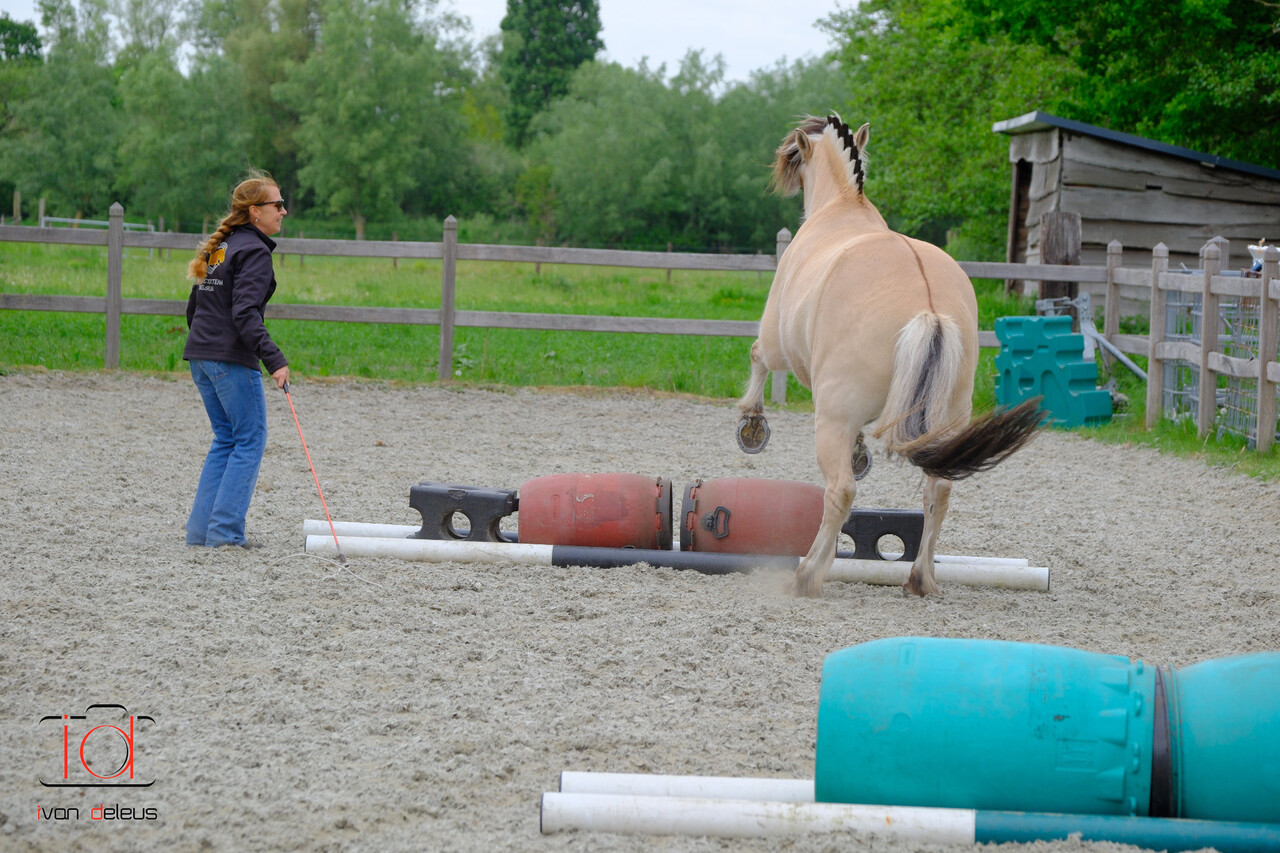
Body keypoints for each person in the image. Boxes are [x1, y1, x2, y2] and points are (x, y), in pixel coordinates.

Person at [182, 173, 290, 548]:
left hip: (200, 356)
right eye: (277, 205)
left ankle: (201, 533)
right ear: (255, 212)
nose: (284, 211)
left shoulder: (222, 247)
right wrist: (274, 359)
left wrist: (206, 345)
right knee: (248, 440)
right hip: (228, 360)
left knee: (226, 439)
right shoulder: (255, 252)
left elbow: (194, 308)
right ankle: (225, 534)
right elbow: (246, 314)